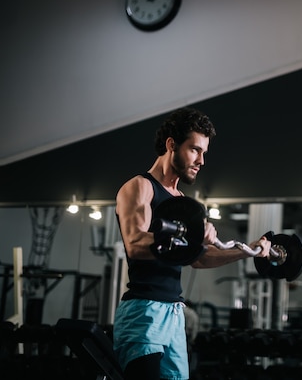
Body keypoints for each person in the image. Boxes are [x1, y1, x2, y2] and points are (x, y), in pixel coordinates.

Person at [113, 107, 272, 380]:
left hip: (175, 314)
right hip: (144, 311)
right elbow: (135, 244)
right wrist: (190, 238)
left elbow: (197, 257)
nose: (201, 161)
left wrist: (248, 251)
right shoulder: (140, 187)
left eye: (204, 153)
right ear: (171, 145)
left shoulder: (182, 203)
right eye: (195, 150)